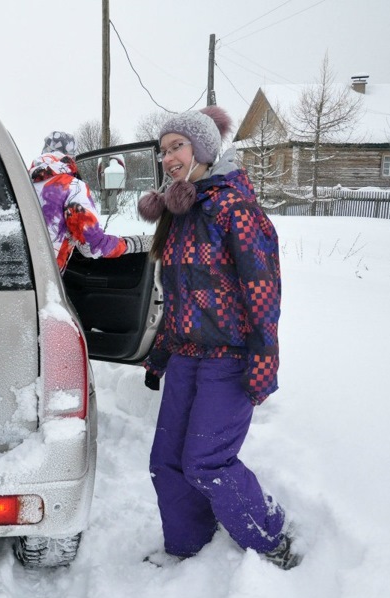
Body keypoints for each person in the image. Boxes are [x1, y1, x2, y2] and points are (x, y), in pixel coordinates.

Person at [137, 106, 300, 570]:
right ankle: (188, 547)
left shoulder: (235, 209)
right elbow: (180, 299)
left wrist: (265, 356)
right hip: (187, 357)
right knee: (166, 461)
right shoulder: (181, 213)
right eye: (164, 150)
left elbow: (263, 289)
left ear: (203, 150)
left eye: (177, 147)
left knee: (206, 461)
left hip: (230, 360)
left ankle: (271, 537)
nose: (168, 158)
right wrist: (160, 356)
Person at [30, 131, 150, 272]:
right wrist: (134, 244)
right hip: (44, 279)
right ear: (71, 155)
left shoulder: (22, 182)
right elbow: (92, 245)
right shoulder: (72, 187)